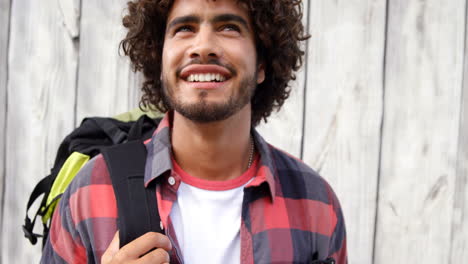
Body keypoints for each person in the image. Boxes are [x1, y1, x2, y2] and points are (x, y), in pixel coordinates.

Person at [41, 0, 347, 263]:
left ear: (263, 63)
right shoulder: (91, 191)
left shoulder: (316, 203)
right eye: (184, 28)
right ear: (159, 58)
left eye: (229, 27)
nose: (203, 47)